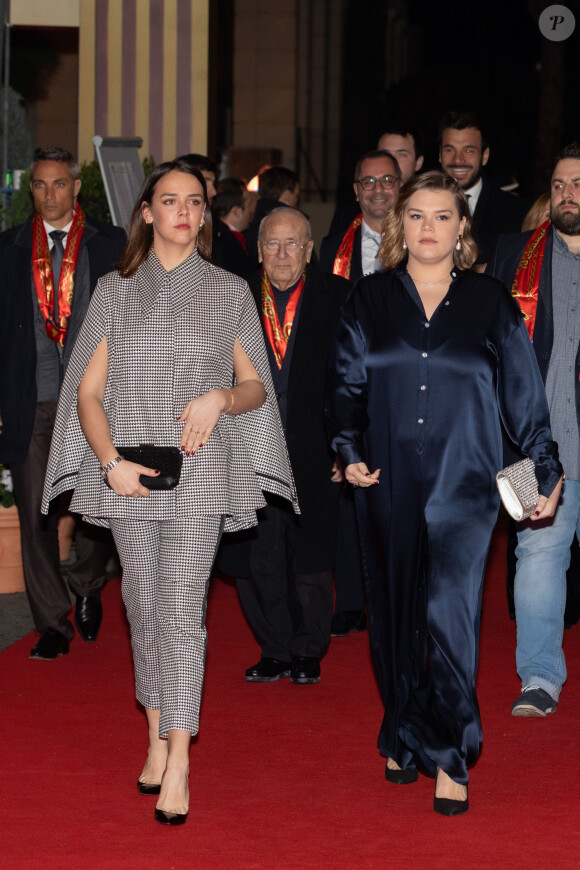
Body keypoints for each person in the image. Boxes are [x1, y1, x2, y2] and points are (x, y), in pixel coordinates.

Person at [41, 160, 297, 826]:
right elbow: (88, 394)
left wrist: (220, 397)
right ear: (147, 213)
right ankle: (156, 730)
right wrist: (107, 462)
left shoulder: (229, 291)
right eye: (169, 201)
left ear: (204, 214)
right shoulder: (113, 291)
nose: (184, 211)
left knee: (183, 613)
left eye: (194, 202)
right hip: (129, 474)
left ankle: (180, 757)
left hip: (202, 473)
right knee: (142, 602)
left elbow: (255, 387)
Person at [326, 171, 562, 815]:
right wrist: (347, 452)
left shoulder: (491, 301)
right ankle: (404, 731)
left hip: (468, 483)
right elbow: (345, 386)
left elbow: (523, 396)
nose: (428, 227)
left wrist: (544, 464)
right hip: (386, 481)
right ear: (400, 228)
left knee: (451, 618)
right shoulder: (368, 301)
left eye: (442, 216)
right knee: (396, 617)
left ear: (462, 230)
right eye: (417, 216)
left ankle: (453, 754)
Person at [0, 146, 126, 659]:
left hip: (93, 400)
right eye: (38, 185)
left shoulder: (111, 243)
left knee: (97, 510)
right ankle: (52, 623)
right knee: (36, 514)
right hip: (29, 398)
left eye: (58, 184)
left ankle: (88, 581)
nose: (48, 194)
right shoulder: (8, 247)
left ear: (76, 189)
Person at [219, 207, 349, 684]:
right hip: (247, 446)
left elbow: (354, 380)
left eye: (292, 243)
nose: (281, 253)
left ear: (309, 249)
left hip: (317, 447)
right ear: (258, 249)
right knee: (256, 555)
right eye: (271, 243)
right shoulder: (231, 296)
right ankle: (273, 647)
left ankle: (308, 649)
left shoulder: (339, 296)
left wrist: (346, 445)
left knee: (311, 555)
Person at [487, 142, 580, 716]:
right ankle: (539, 677)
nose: (569, 192)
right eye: (562, 183)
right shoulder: (513, 252)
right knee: (536, 554)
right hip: (529, 443)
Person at [439, 111, 529, 267]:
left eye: (468, 150)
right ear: (440, 155)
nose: (458, 160)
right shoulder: (418, 209)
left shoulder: (516, 212)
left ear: (485, 156)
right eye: (450, 150)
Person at [319, 149, 401, 282]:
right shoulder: (332, 247)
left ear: (400, 187)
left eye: (387, 180)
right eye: (368, 181)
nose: (378, 189)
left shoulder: (419, 242)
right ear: (356, 191)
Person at [243, 165, 301, 268]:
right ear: (287, 196)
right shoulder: (292, 227)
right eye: (296, 195)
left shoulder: (251, 225)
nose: (297, 201)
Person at [211, 177, 254, 279]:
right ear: (236, 212)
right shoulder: (226, 245)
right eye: (249, 205)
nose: (252, 211)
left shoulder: (221, 237)